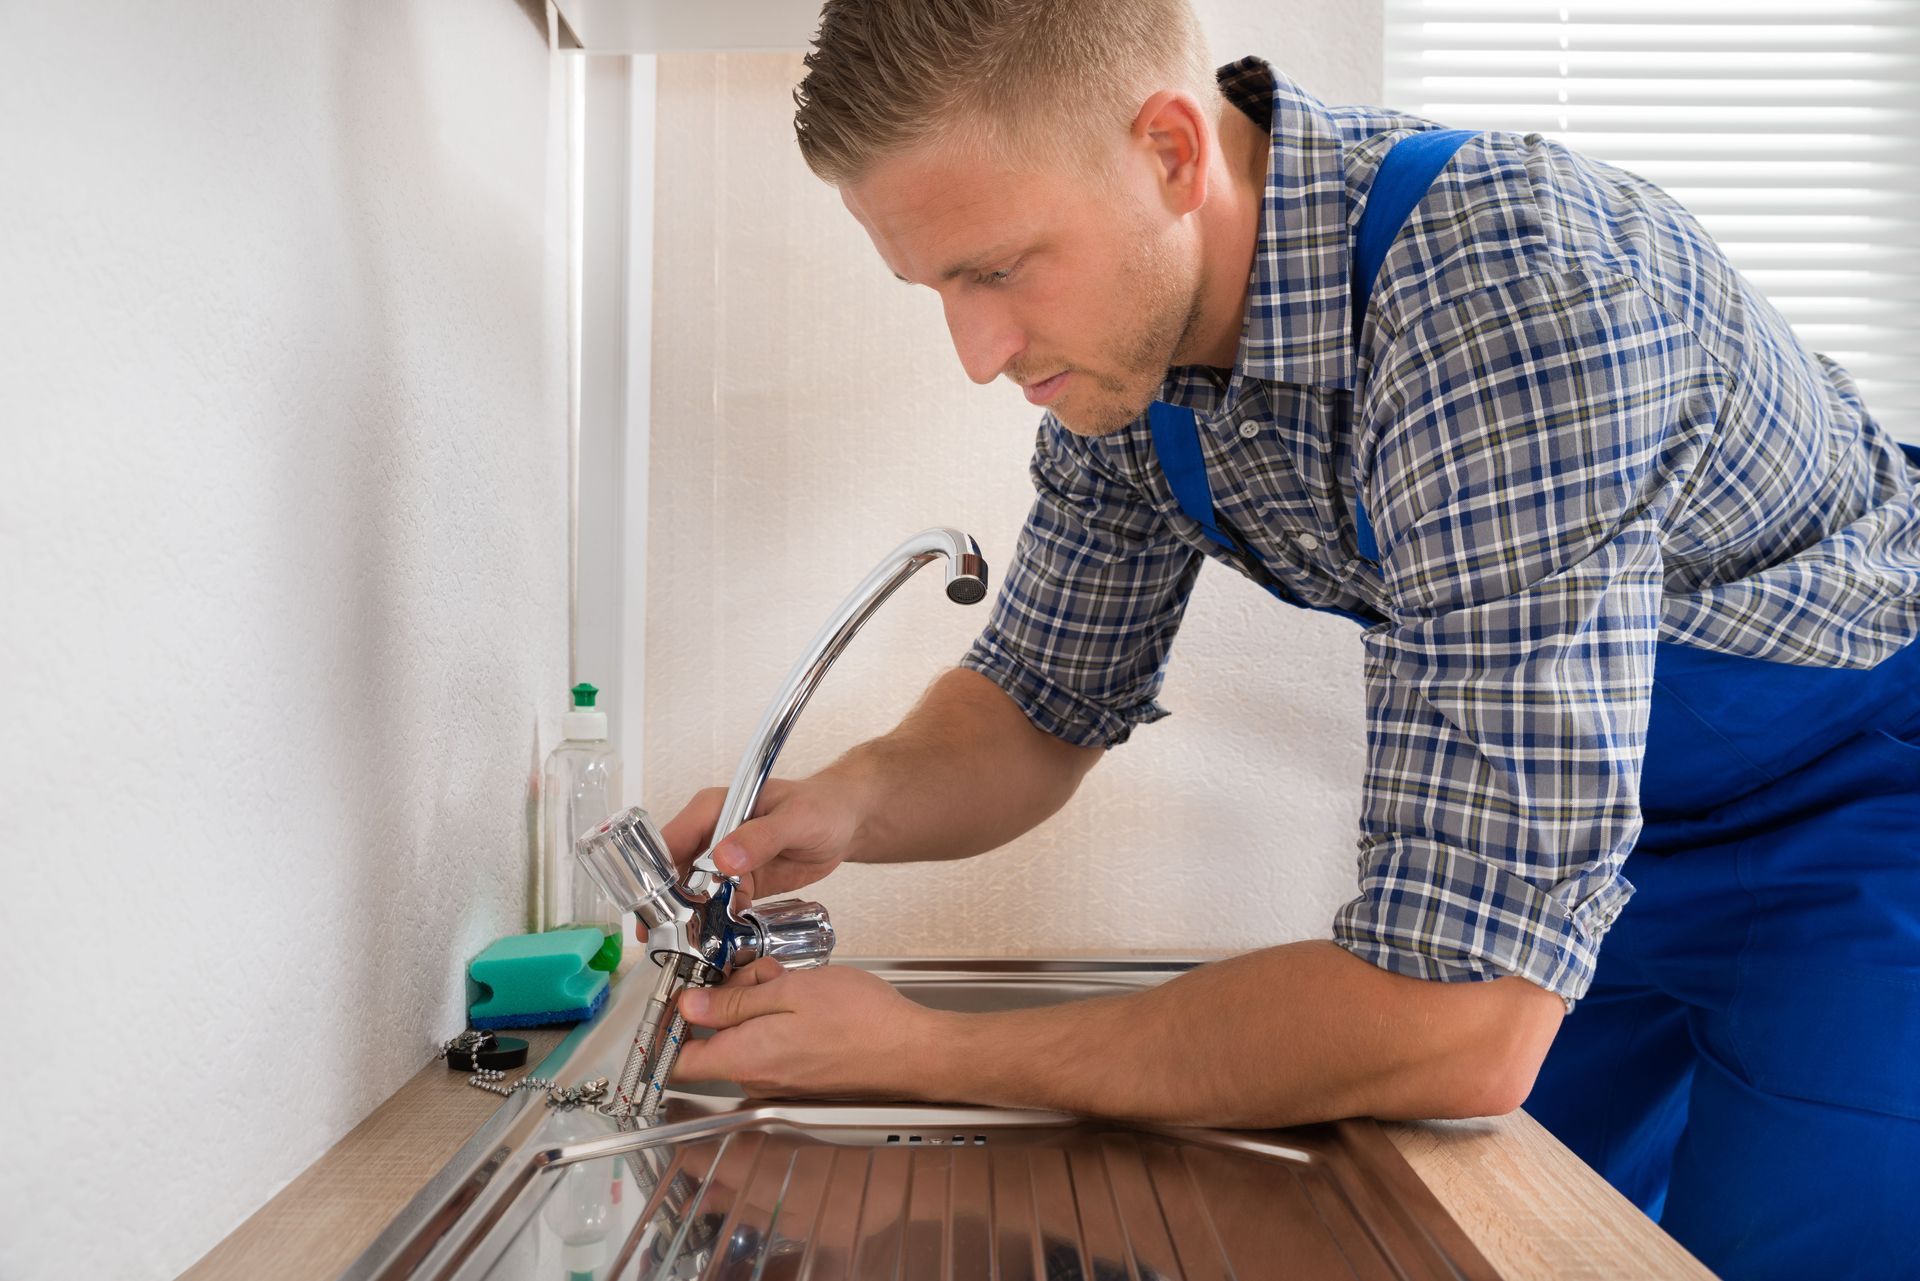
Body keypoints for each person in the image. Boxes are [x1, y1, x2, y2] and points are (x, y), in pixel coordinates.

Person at [660, 2, 1920, 1276]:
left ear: (1170, 152)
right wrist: (841, 805)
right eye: (936, 286)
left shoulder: (1510, 302)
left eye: (996, 269)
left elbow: (1461, 1020)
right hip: (1597, 839)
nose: (979, 354)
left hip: (1865, 810)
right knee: (1500, 1247)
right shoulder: (1135, 368)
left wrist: (927, 1053)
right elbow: (1041, 700)